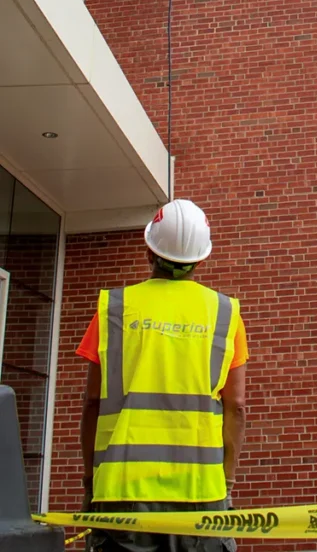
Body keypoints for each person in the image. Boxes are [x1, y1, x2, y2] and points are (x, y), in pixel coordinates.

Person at [77, 199, 248, 552]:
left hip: (121, 492)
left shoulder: (114, 308)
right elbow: (237, 407)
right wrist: (226, 484)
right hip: (201, 494)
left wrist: (90, 481)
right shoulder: (225, 314)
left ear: (148, 251)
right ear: (202, 258)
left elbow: (93, 402)